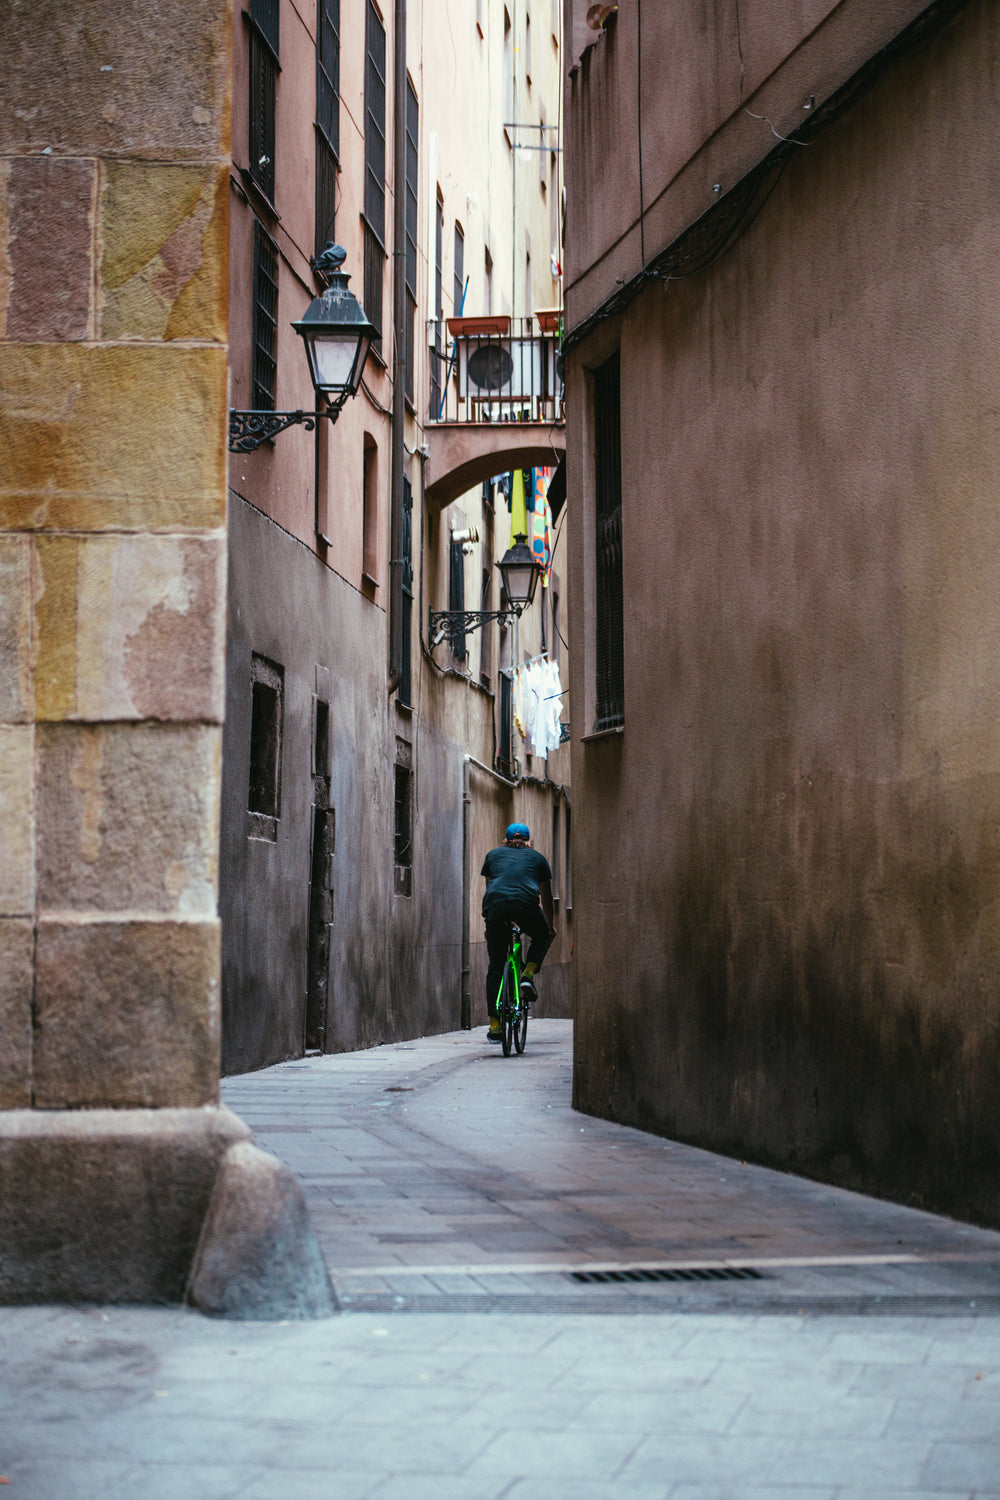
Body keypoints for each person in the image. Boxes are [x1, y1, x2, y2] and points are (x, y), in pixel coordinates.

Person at [481, 822, 555, 1043]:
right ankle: (527, 975)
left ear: (505, 840)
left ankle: (494, 1026)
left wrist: (489, 923)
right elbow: (547, 897)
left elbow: (491, 888)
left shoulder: (493, 855)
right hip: (526, 906)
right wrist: (550, 926)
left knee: (496, 964)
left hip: (496, 909)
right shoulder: (538, 858)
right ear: (528, 840)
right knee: (542, 936)